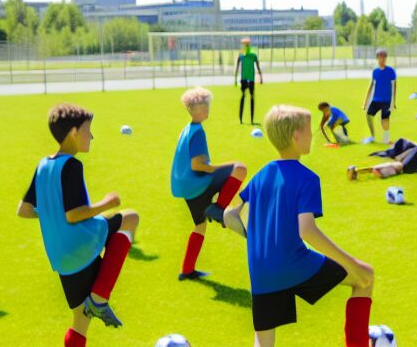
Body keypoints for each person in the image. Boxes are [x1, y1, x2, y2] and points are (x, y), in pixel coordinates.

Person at [223, 104, 376, 347]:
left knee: (263, 342)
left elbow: (230, 216)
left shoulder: (262, 174)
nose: (312, 135)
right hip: (294, 264)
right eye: (308, 130)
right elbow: (306, 230)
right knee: (365, 276)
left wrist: (257, 238)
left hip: (261, 270)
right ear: (296, 136)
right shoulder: (307, 178)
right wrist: (350, 263)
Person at [17, 103, 140, 344]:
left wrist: (51, 213)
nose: (91, 136)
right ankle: (100, 298)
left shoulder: (43, 165)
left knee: (80, 322)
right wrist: (106, 203)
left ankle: (96, 302)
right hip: (80, 243)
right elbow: (74, 215)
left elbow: (24, 210)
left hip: (61, 258)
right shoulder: (72, 165)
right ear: (73, 132)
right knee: (131, 218)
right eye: (88, 130)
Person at [170, 87, 247, 281]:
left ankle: (187, 270)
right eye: (205, 105)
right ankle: (219, 208)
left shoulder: (187, 129)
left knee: (199, 226)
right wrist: (216, 168)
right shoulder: (198, 132)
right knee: (239, 168)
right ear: (195, 109)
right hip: (197, 184)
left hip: (186, 188)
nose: (208, 108)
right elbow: (197, 165)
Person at [361, 50, 398, 144]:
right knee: (368, 115)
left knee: (384, 119)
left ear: (386, 58)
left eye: (384, 57)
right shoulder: (375, 72)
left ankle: (387, 139)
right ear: (377, 58)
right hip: (376, 99)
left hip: (387, 100)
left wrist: (393, 102)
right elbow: (371, 85)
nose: (382, 59)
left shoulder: (390, 71)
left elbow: (394, 86)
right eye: (380, 57)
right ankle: (372, 137)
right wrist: (365, 101)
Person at [234, 37, 265, 126]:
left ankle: (251, 119)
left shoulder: (253, 55)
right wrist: (235, 79)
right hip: (244, 79)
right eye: (244, 44)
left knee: (252, 97)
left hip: (251, 79)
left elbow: (258, 66)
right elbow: (237, 67)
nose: (246, 46)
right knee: (243, 96)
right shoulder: (241, 55)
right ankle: (241, 119)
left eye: (247, 44)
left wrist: (261, 77)